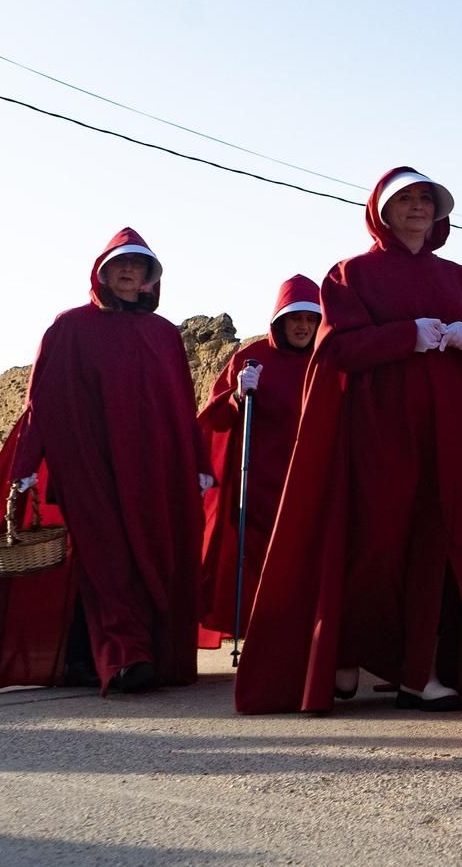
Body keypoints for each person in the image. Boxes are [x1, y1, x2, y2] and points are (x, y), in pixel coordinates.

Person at [235, 168, 462, 713]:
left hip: (451, 429)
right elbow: (336, 350)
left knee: (431, 547)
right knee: (371, 544)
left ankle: (419, 671)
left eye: (425, 200)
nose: (417, 208)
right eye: (406, 200)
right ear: (382, 211)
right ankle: (345, 652)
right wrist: (405, 335)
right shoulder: (350, 275)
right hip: (380, 428)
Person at [0, 229, 207, 698]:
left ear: (151, 279)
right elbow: (44, 401)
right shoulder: (70, 328)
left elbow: (180, 404)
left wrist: (195, 463)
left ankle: (98, 658)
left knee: (149, 557)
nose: (128, 273)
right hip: (90, 466)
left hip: (153, 470)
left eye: (138, 267)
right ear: (103, 273)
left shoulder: (164, 335)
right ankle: (124, 658)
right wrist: (28, 462)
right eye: (119, 266)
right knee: (108, 558)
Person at [195, 275, 321, 650]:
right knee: (260, 560)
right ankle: (266, 630)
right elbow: (215, 417)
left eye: (310, 319)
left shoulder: (327, 359)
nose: (302, 327)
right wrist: (238, 394)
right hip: (261, 481)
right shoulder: (252, 359)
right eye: (294, 319)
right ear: (279, 321)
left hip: (311, 476)